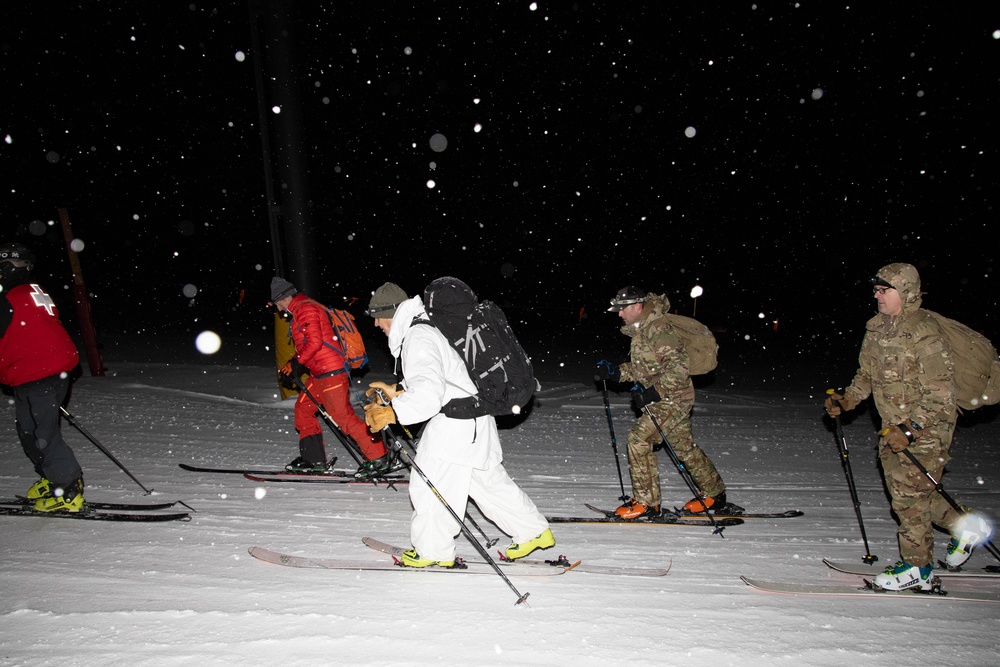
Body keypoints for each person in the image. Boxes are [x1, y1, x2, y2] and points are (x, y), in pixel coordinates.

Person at [825, 263, 993, 591]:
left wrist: (911, 428)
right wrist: (847, 400)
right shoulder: (876, 328)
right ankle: (966, 527)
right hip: (892, 427)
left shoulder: (925, 332)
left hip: (928, 428)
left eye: (884, 289)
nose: (877, 295)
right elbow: (867, 376)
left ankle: (919, 569)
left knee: (908, 499)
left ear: (905, 293)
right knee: (912, 496)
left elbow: (942, 393)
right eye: (876, 289)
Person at [363, 282, 554, 567]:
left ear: (393, 312)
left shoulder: (418, 337)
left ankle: (432, 551)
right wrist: (398, 391)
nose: (377, 324)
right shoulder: (429, 327)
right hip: (475, 418)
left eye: (378, 316)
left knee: (430, 486)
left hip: (456, 425)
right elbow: (444, 379)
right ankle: (533, 532)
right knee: (487, 483)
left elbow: (429, 396)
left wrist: (393, 412)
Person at [595, 286, 730, 519]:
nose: (619, 314)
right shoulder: (643, 329)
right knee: (683, 447)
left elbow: (679, 369)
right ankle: (714, 494)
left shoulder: (658, 329)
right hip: (669, 397)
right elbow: (646, 367)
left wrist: (653, 393)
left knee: (639, 439)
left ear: (637, 307)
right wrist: (616, 372)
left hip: (673, 398)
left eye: (622, 309)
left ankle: (647, 503)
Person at [270, 277, 391, 478]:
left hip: (331, 371)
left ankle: (379, 456)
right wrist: (294, 364)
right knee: (303, 408)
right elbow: (309, 345)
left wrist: (296, 363)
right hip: (319, 372)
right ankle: (313, 459)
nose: (276, 308)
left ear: (281, 298)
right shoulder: (300, 309)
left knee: (342, 416)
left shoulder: (305, 309)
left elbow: (315, 342)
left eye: (275, 303)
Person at [0, 243, 84, 512]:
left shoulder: (7, 296)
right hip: (46, 369)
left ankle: (69, 490)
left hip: (38, 371)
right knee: (29, 431)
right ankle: (54, 478)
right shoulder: (32, 290)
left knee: (43, 435)